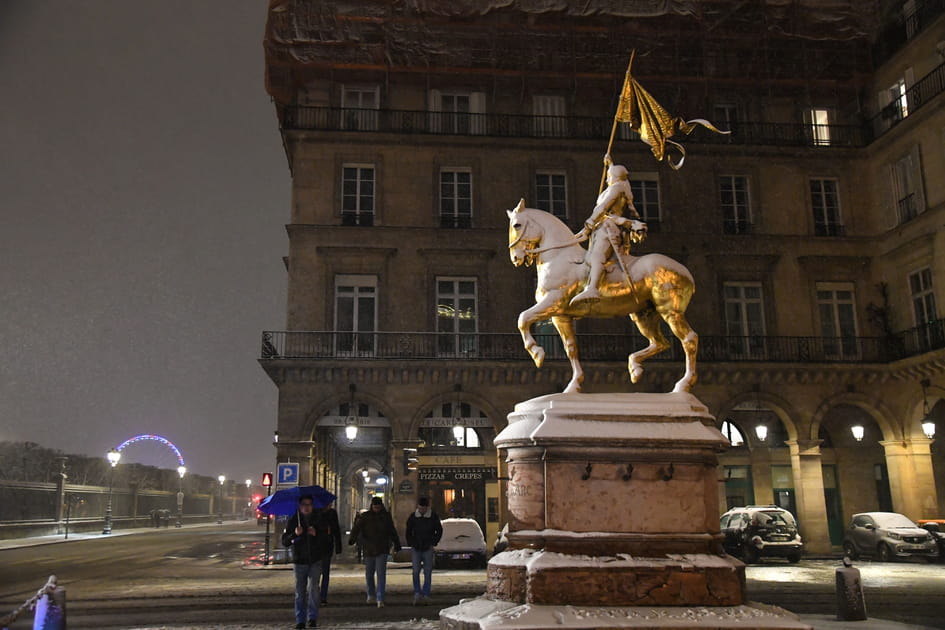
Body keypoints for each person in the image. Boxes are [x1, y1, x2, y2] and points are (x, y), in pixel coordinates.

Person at [570, 155, 642, 305]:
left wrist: (589, 223)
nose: (607, 179)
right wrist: (610, 164)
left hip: (608, 228)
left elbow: (602, 208)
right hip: (603, 227)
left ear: (615, 177)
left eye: (610, 176)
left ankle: (593, 288)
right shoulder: (619, 186)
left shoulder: (615, 189)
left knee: (597, 257)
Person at [282, 495, 333, 629]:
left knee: (314, 590)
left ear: (312, 506)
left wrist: (317, 534)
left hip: (315, 560)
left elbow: (327, 539)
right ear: (300, 506)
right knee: (300, 592)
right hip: (299, 561)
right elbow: (285, 541)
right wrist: (295, 534)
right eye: (304, 504)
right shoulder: (294, 520)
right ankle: (300, 620)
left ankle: (312, 617)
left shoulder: (319, 519)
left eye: (309, 504)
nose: (306, 507)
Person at [348, 496, 401, 607]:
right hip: (369, 549)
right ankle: (371, 594)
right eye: (375, 506)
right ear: (372, 506)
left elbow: (392, 530)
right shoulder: (365, 516)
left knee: (381, 574)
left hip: (381, 549)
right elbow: (357, 528)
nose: (376, 508)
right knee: (370, 574)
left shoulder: (385, 516)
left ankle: (380, 597)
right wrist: (352, 539)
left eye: (378, 507)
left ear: (381, 506)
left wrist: (397, 544)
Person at [405, 496, 442, 605]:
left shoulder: (432, 516)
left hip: (427, 547)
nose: (422, 510)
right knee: (416, 571)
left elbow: (439, 530)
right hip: (417, 547)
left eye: (423, 508)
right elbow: (408, 531)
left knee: (427, 571)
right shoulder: (413, 517)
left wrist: (433, 542)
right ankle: (418, 592)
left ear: (427, 508)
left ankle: (425, 593)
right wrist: (412, 543)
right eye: (420, 508)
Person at [317, 502, 343, 605]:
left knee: (325, 573)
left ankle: (323, 597)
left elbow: (336, 530)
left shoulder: (332, 514)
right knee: (315, 574)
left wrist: (338, 546)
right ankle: (315, 595)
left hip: (327, 547)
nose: (329, 505)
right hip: (316, 547)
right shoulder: (316, 513)